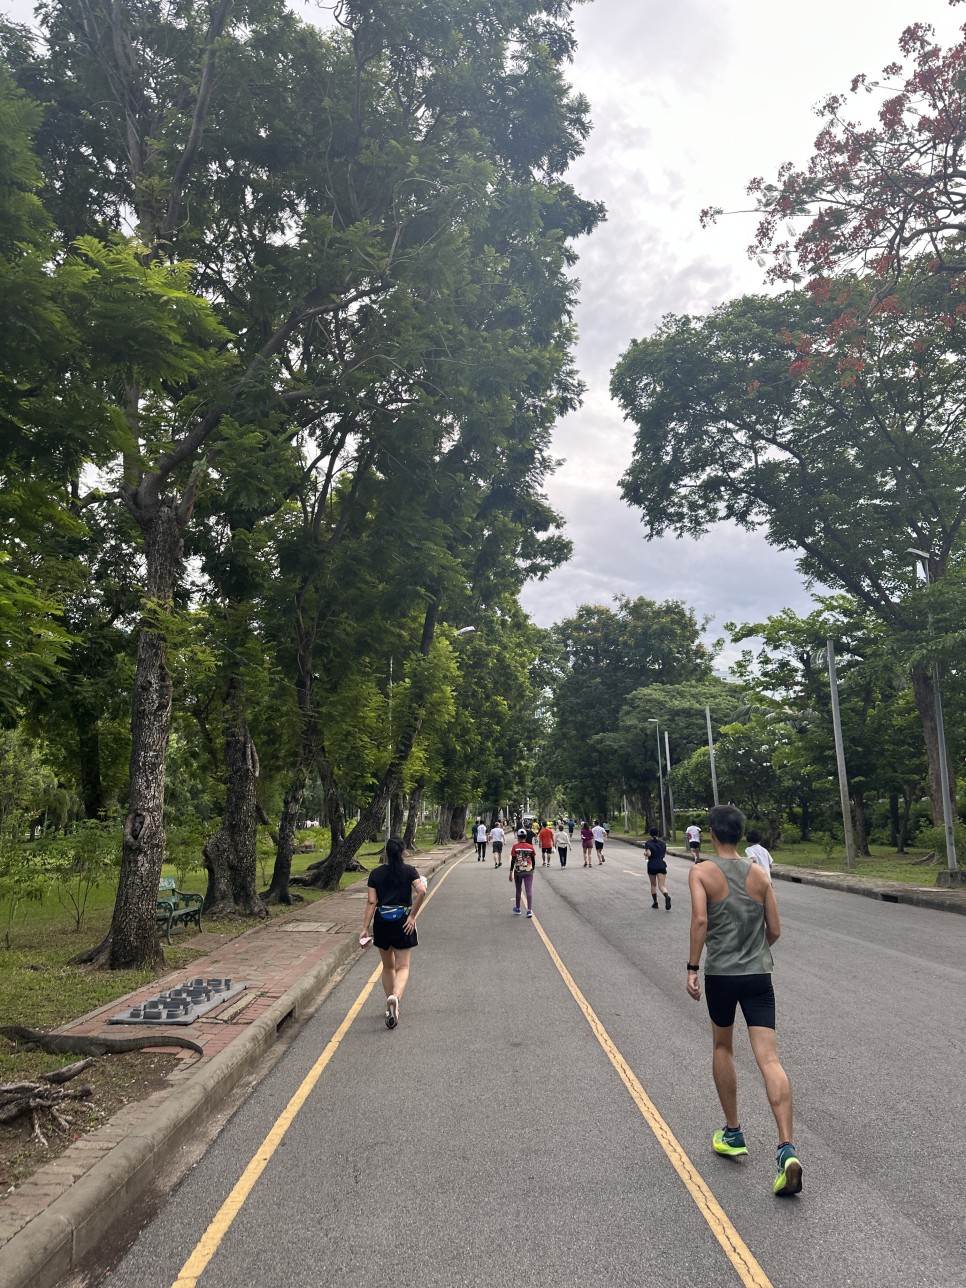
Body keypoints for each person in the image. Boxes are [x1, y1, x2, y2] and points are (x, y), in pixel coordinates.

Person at [686, 805, 802, 1197]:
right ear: (739, 833)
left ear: (713, 835)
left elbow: (700, 921)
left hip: (720, 976)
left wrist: (691, 966)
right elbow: (775, 929)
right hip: (758, 977)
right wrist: (755, 953)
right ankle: (786, 1148)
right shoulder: (759, 874)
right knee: (770, 1059)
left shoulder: (701, 872)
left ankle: (733, 1132)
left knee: (722, 1045)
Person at [361, 837, 427, 1030]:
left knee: (388, 966)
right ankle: (395, 998)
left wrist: (365, 927)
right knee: (403, 967)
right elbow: (421, 891)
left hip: (382, 922)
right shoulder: (409, 871)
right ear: (402, 852)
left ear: (386, 853)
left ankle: (390, 1004)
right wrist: (412, 916)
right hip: (403, 922)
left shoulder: (376, 874)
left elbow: (372, 902)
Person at [509, 828, 537, 918]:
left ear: (518, 837)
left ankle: (518, 908)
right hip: (529, 871)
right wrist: (533, 869)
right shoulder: (530, 847)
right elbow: (533, 859)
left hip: (518, 871)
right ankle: (529, 910)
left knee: (518, 890)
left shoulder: (515, 847)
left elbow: (513, 860)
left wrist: (511, 872)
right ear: (525, 836)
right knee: (528, 889)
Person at [644, 828, 670, 909]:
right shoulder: (663, 843)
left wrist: (645, 853)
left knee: (653, 884)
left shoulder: (648, 843)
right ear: (658, 833)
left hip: (652, 864)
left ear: (650, 834)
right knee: (662, 885)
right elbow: (664, 855)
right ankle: (666, 896)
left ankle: (655, 902)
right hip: (661, 864)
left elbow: (649, 854)